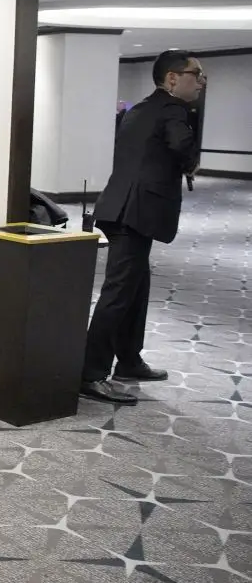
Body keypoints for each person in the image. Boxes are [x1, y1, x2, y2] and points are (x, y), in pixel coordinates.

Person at [80, 50, 204, 405]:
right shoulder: (173, 110)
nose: (200, 82)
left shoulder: (139, 110)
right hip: (134, 213)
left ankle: (129, 360)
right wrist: (190, 161)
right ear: (172, 78)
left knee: (136, 288)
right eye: (196, 74)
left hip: (121, 208)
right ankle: (90, 373)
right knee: (118, 294)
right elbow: (182, 147)